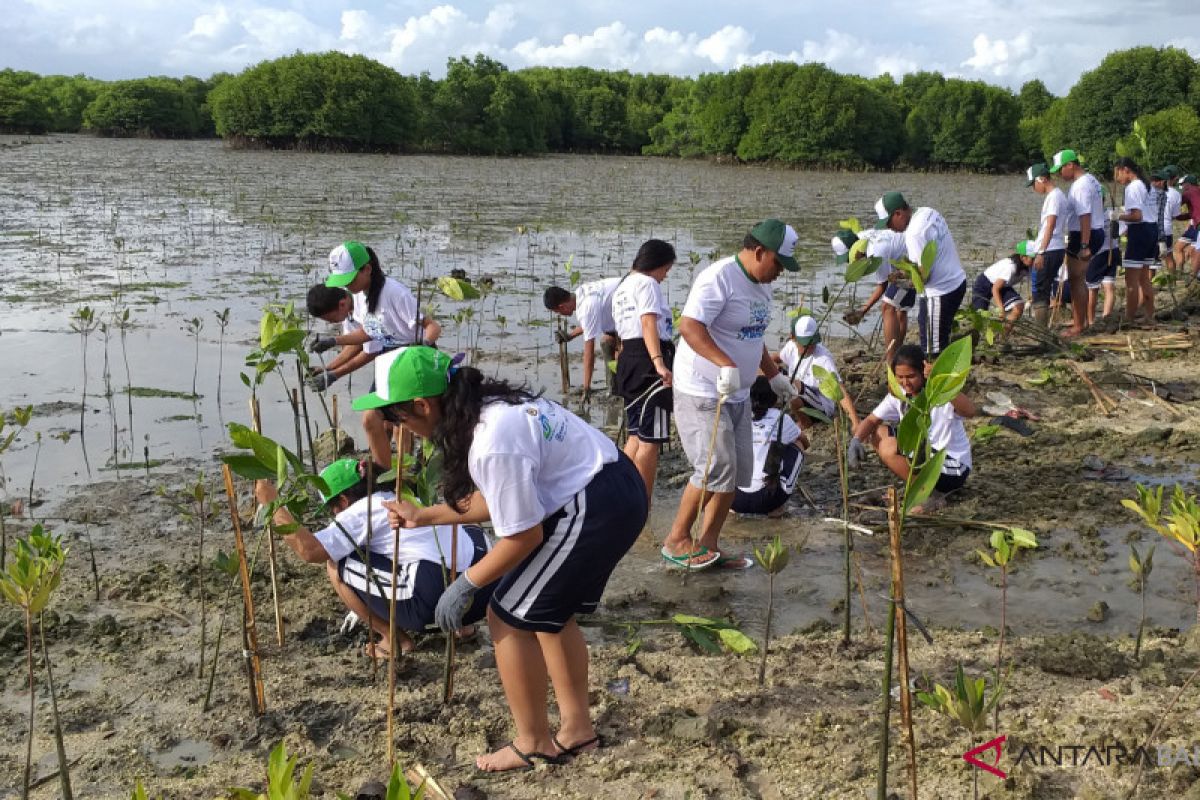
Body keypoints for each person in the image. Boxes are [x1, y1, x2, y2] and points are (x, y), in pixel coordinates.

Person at [356, 346, 647, 772]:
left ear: (421, 405)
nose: (399, 429)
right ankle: (577, 730)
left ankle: (532, 742)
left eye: (397, 419)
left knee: (506, 615)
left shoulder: (492, 439)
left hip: (594, 505)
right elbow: (503, 498)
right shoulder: (491, 407)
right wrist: (424, 517)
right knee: (546, 610)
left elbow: (522, 536)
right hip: (610, 487)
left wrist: (466, 585)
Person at [660, 219, 800, 572]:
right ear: (759, 252)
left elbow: (752, 335)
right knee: (714, 467)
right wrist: (724, 363)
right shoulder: (718, 278)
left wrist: (774, 375)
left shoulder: (761, 287)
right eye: (778, 264)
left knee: (735, 473)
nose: (780, 273)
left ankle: (708, 545)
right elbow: (689, 326)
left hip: (736, 393)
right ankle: (677, 539)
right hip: (702, 390)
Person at [253, 458, 493, 658]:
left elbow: (310, 551)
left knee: (336, 563)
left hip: (435, 602)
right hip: (482, 592)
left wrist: (272, 504)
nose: (333, 516)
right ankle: (464, 628)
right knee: (451, 539)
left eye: (332, 510)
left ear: (344, 501)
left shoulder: (363, 509)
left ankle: (393, 641)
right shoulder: (400, 495)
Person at [306, 242, 441, 466]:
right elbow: (368, 334)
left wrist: (422, 347)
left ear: (367, 269)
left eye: (349, 279)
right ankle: (384, 474)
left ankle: (407, 470)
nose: (347, 285)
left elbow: (433, 327)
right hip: (389, 361)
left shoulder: (393, 293)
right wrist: (333, 344)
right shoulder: (359, 296)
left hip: (413, 357)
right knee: (371, 417)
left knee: (404, 422)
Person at [847, 344, 977, 514]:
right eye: (899, 377)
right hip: (923, 456)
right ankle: (924, 488)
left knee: (889, 449)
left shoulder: (938, 393)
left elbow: (971, 411)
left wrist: (944, 383)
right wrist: (856, 440)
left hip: (951, 465)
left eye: (911, 376)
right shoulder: (900, 395)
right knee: (878, 432)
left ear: (923, 372)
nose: (905, 383)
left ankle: (928, 493)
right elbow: (872, 420)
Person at [610, 239, 676, 504]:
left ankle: (623, 491)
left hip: (630, 360)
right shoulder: (648, 284)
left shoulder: (622, 286)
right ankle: (642, 502)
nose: (665, 275)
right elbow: (648, 323)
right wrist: (659, 363)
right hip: (649, 362)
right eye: (666, 269)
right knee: (651, 439)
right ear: (656, 264)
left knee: (636, 433)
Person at [872, 192, 967, 357]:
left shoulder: (913, 233)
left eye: (888, 222)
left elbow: (923, 278)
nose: (889, 228)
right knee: (940, 341)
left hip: (939, 293)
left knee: (931, 353)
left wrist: (901, 278)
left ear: (898, 214)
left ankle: (939, 381)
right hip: (957, 281)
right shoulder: (928, 212)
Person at [1049, 149, 1106, 337]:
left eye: (1060, 170)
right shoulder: (1092, 180)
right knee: (1077, 280)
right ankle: (1079, 320)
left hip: (1084, 234)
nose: (1058, 174)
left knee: (1076, 281)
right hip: (1094, 231)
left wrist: (1084, 245)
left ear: (1070, 165)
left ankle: (1079, 325)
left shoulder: (1080, 186)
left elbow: (1085, 216)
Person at [776, 315, 860, 437]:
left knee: (793, 386)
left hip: (821, 405)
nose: (810, 347)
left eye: (812, 343)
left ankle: (805, 423)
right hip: (801, 395)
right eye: (805, 344)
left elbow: (840, 391)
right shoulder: (791, 347)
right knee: (772, 374)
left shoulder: (823, 359)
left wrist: (855, 421)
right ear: (794, 338)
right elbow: (777, 358)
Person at [732, 377, 805, 517]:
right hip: (768, 500)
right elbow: (803, 441)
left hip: (733, 499)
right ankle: (776, 510)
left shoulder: (738, 416)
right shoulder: (780, 416)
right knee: (797, 444)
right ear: (774, 398)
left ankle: (731, 511)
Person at [836, 227, 912, 359]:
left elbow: (883, 286)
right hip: (902, 256)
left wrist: (863, 311)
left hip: (911, 261)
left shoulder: (876, 252)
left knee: (887, 306)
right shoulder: (860, 239)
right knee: (901, 309)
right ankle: (898, 355)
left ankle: (891, 360)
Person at [543, 277, 621, 399]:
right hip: (619, 318)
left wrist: (586, 387)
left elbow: (589, 353)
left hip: (635, 311)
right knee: (607, 342)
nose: (559, 314)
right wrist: (570, 336)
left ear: (562, 306)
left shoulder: (586, 307)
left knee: (616, 352)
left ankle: (621, 390)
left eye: (557, 312)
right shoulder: (580, 292)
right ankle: (613, 388)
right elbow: (589, 323)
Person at [1026, 163, 1071, 326]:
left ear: (1042, 179)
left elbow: (1050, 224)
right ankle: (1044, 327)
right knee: (1045, 289)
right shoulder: (1058, 195)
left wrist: (1041, 252)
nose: (1034, 188)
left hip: (1050, 248)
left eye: (1033, 184)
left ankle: (1041, 330)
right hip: (1056, 247)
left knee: (1039, 291)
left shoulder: (1053, 197)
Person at [1114, 157, 1157, 325]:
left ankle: (1129, 317)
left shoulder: (1132, 187)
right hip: (1152, 230)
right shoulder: (1147, 185)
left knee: (1131, 280)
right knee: (1144, 278)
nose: (1117, 178)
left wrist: (1118, 216)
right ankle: (1149, 315)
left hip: (1140, 231)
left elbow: (1136, 216)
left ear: (1125, 170)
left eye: (1118, 173)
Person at [970, 241, 1035, 334]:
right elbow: (995, 289)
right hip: (984, 284)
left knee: (1018, 307)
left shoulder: (1029, 266)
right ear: (1022, 257)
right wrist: (1001, 309)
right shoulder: (1010, 268)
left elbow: (1036, 283)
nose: (1035, 260)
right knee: (978, 319)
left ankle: (1003, 335)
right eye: (1032, 258)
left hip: (1003, 286)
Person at [1151, 169, 1182, 271]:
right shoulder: (1176, 194)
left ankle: (1150, 284)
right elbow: (1175, 215)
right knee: (1169, 256)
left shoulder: (1151, 192)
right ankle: (1172, 283)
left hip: (1153, 229)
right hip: (1167, 229)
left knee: (1152, 262)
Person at [1171, 174, 1200, 274]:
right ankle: (1181, 271)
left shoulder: (1189, 192)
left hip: (1197, 225)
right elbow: (1193, 213)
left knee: (1194, 251)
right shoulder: (1197, 191)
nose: (1182, 187)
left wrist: (1171, 214)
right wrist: (1178, 217)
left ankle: (1193, 275)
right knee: (1178, 247)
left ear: (1188, 184)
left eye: (1183, 184)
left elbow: (1176, 204)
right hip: (1194, 225)